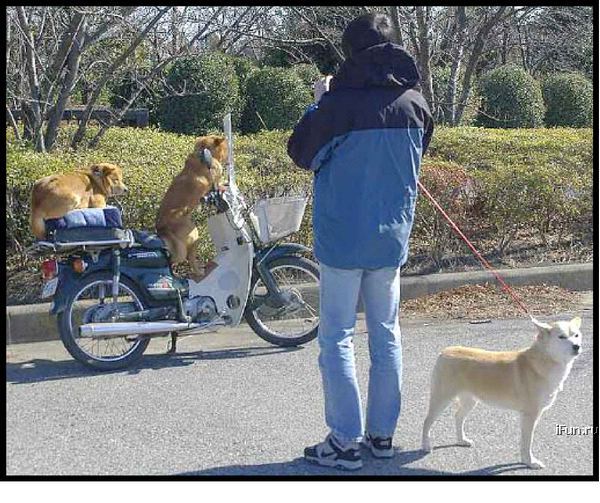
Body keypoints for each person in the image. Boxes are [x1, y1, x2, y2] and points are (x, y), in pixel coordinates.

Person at [287, 12, 434, 471]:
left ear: (350, 54)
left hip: (342, 241)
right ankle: (382, 437)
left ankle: (345, 442)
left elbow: (301, 153)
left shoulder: (337, 106)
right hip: (390, 240)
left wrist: (317, 102)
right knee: (386, 335)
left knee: (337, 338)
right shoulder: (417, 104)